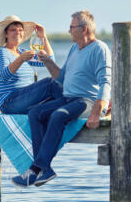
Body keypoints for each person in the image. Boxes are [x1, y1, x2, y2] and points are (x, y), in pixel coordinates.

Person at [12, 10, 112, 187]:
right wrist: (47, 61)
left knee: (58, 115)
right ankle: (46, 169)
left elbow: (106, 82)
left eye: (71, 27)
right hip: (69, 98)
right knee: (35, 112)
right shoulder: (74, 48)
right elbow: (61, 78)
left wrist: (97, 112)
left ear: (84, 29)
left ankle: (35, 170)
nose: (68, 31)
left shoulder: (100, 49)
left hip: (87, 101)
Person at [0, 15, 63, 114]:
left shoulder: (22, 52)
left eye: (20, 30)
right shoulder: (3, 53)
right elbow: (4, 76)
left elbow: (50, 60)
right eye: (13, 30)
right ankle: (74, 107)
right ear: (6, 34)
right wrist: (21, 59)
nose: (18, 33)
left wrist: (43, 37)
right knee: (50, 83)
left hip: (24, 100)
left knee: (55, 95)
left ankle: (71, 109)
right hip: (8, 103)